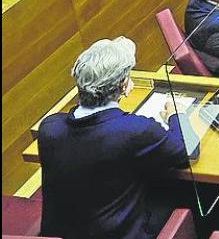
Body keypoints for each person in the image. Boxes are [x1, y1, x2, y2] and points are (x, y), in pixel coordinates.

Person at [38, 37, 199, 239]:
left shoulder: (49, 127)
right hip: (119, 233)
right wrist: (177, 114)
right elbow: (188, 151)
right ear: (124, 85)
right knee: (189, 191)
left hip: (66, 233)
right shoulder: (134, 130)